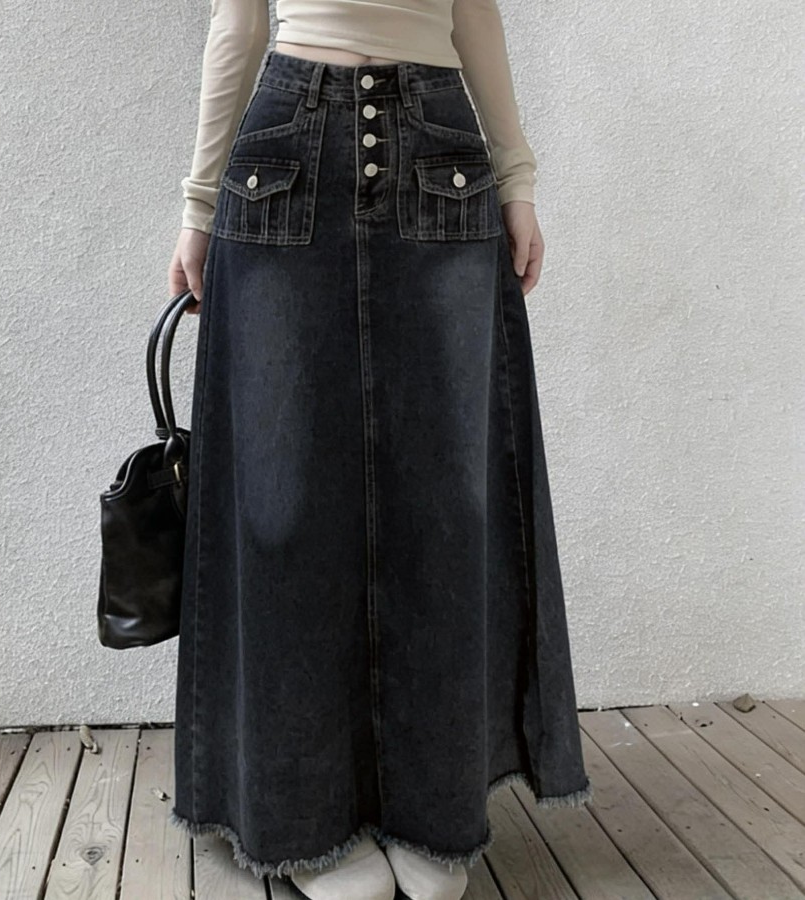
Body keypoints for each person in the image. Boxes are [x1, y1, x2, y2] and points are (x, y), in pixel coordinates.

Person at [165, 2, 593, 899]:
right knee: (282, 507)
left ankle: (433, 814)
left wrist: (517, 177)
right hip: (285, 148)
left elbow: (474, 11)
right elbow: (239, 21)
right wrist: (199, 205)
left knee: (446, 500)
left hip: (440, 146)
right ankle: (304, 819)